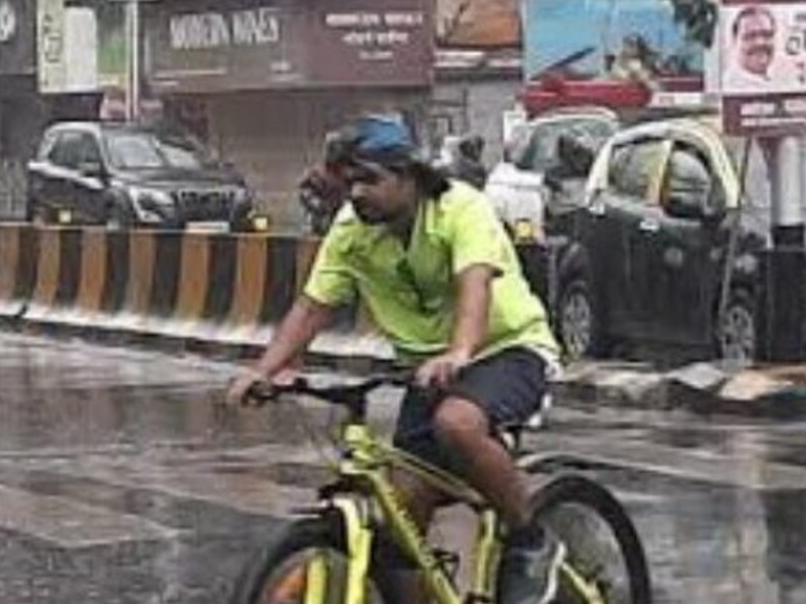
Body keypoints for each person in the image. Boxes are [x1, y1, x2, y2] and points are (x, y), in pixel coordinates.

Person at [226, 116, 561, 604]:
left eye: (370, 180)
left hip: (505, 350)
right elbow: (313, 306)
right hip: (424, 371)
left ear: (410, 176)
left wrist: (460, 352)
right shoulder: (351, 231)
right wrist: (266, 370)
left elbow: (475, 284)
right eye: (350, 182)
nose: (357, 193)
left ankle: (531, 539)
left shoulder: (460, 208)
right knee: (399, 522)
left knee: (457, 424)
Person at [725, 5, 779, 92]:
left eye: (767, 35)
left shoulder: (778, 84)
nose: (760, 42)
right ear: (734, 41)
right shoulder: (730, 89)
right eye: (750, 36)